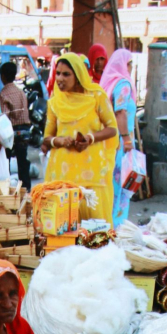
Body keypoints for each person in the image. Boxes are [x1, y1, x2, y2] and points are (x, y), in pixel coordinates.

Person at [42, 52, 118, 224]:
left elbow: (112, 128)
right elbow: (47, 137)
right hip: (62, 175)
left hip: (93, 174)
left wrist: (90, 138)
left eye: (66, 74)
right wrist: (58, 141)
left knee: (95, 233)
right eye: (58, 73)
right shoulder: (55, 102)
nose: (60, 78)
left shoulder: (96, 96)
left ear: (78, 76)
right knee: (63, 230)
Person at [101, 48, 137, 229]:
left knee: (113, 184)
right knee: (122, 185)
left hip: (112, 141)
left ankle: (110, 224)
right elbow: (120, 112)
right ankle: (116, 226)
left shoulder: (110, 83)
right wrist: (128, 139)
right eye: (130, 64)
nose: (131, 68)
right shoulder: (123, 83)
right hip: (122, 142)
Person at [0, 62, 31, 191]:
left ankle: (6, 188)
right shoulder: (20, 92)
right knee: (22, 161)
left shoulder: (3, 94)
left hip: (11, 132)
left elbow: (4, 117)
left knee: (5, 160)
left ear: (3, 77)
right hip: (25, 131)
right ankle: (26, 188)